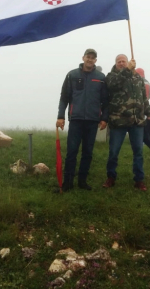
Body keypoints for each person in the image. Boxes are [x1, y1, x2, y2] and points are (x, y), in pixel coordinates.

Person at [56, 49, 108, 192]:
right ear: (83, 58)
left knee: (87, 152)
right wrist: (60, 116)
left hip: (92, 121)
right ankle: (67, 183)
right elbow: (64, 97)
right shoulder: (72, 75)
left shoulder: (101, 77)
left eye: (93, 58)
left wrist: (104, 118)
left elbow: (105, 101)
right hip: (76, 120)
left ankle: (82, 181)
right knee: (72, 152)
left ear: (95, 60)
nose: (90, 60)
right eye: (88, 57)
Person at [102, 54, 150, 191]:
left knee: (138, 152)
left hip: (137, 121)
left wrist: (148, 112)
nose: (121, 63)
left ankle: (139, 180)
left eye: (123, 61)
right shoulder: (111, 76)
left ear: (127, 62)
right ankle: (111, 177)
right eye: (119, 61)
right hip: (118, 121)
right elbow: (113, 85)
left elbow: (143, 97)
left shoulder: (137, 78)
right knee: (113, 152)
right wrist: (127, 70)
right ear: (115, 63)